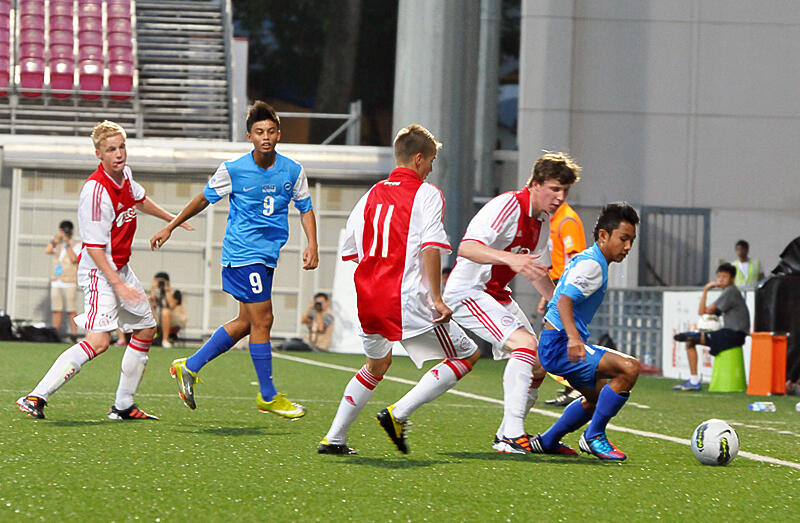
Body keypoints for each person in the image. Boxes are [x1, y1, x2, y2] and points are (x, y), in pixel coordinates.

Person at [318, 124, 479, 455]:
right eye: (432, 160)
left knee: (377, 366)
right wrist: (436, 297)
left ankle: (334, 438)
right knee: (467, 354)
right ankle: (398, 414)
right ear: (419, 159)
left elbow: (350, 249)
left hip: (368, 298)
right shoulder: (427, 194)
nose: (432, 168)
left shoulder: (371, 194)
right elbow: (432, 246)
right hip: (405, 299)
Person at [150, 101, 318, 419]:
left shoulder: (293, 170)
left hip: (267, 257)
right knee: (264, 320)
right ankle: (267, 395)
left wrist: (313, 243)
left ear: (278, 134)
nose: (265, 137)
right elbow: (203, 198)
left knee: (245, 323)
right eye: (259, 132)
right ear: (249, 136)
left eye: (270, 131)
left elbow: (305, 207)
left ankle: (189, 366)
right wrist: (171, 225)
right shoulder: (234, 169)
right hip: (242, 255)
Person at [17, 120, 192, 420]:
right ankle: (35, 397)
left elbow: (139, 199)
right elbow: (96, 250)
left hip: (120, 270)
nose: (119, 153)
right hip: (101, 274)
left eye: (122, 146)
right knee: (99, 341)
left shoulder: (125, 176)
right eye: (111, 149)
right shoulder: (95, 193)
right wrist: (118, 285)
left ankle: (123, 406)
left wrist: (171, 220)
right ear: (99, 154)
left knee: (147, 329)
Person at [443, 152, 580, 455]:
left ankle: (505, 434)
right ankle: (512, 436)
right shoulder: (507, 205)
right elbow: (466, 248)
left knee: (540, 365)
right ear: (534, 184)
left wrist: (564, 309)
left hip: (495, 294)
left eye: (565, 191)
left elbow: (538, 274)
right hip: (468, 291)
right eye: (555, 189)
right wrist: (510, 258)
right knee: (524, 345)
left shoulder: (542, 222)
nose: (560, 197)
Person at [534, 203, 641, 461]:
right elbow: (564, 301)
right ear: (604, 235)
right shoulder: (594, 265)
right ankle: (594, 437)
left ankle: (547, 441)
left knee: (597, 398)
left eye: (631, 241)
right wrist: (572, 338)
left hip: (553, 342)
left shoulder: (587, 259)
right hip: (560, 344)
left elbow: (561, 293)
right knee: (629, 368)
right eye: (623, 239)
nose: (627, 247)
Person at [672, 263, 750, 391]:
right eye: (719, 277)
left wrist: (705, 290)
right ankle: (693, 380)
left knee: (690, 339)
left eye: (724, 277)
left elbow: (703, 312)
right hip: (732, 333)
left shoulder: (731, 291)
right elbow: (705, 311)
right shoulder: (730, 292)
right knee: (690, 340)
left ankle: (694, 381)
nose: (720, 280)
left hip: (734, 335)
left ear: (732, 279)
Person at [539, 200, 587, 407]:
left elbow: (575, 258)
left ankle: (580, 387)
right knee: (557, 338)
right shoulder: (554, 218)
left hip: (568, 286)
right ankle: (574, 387)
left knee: (557, 338)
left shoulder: (567, 220)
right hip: (560, 284)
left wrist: (565, 290)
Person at [45, 220, 81, 337]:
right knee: (56, 309)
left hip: (69, 281)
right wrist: (56, 239)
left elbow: (74, 259)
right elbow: (48, 250)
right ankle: (55, 334)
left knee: (71, 310)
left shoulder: (76, 245)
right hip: (57, 281)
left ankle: (74, 334)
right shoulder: (58, 244)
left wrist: (67, 243)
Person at [148, 272, 187, 348]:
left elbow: (172, 305)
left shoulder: (175, 292)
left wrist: (166, 290)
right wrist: (153, 289)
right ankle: (150, 337)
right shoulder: (157, 292)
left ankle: (165, 340)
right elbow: (151, 302)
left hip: (174, 318)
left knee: (165, 311)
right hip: (158, 318)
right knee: (148, 307)